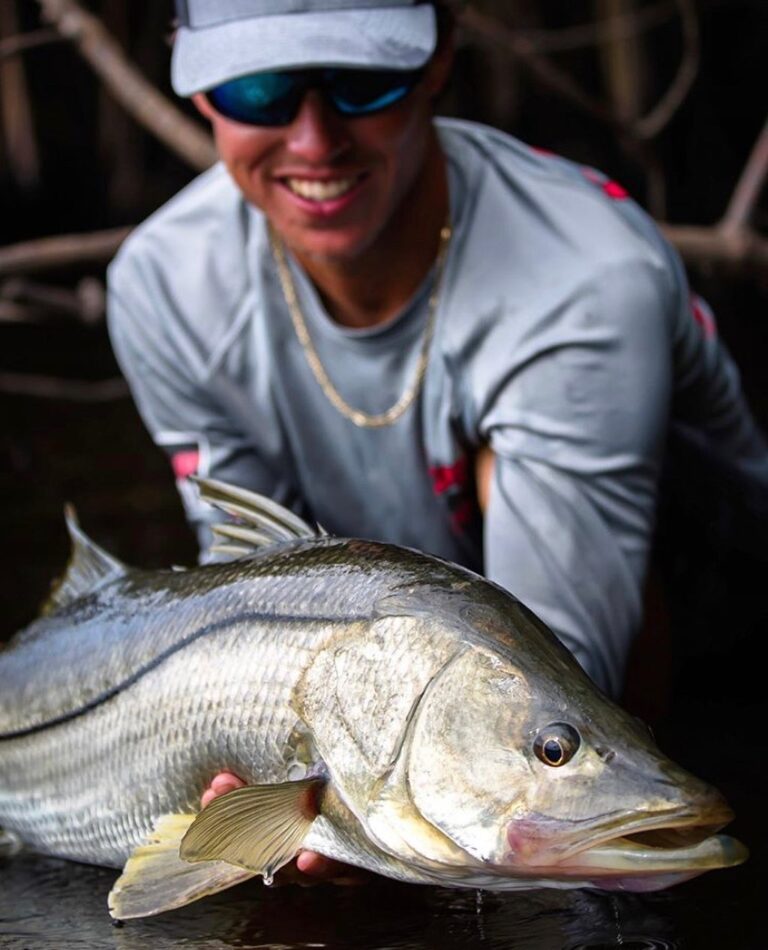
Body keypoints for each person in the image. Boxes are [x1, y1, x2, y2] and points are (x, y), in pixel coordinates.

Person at [107, 0, 768, 883]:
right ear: (199, 94)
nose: (313, 140)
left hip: (701, 639)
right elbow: (243, 581)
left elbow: (564, 661)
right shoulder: (162, 284)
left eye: (360, 82)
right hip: (411, 643)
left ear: (437, 61)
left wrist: (381, 819)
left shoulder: (585, 276)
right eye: (259, 89)